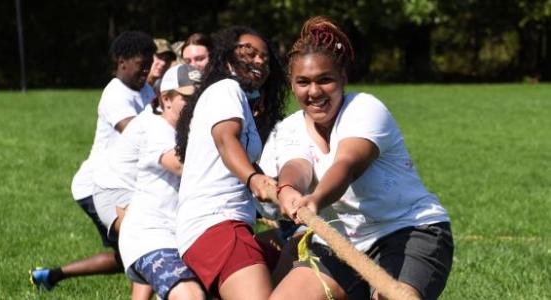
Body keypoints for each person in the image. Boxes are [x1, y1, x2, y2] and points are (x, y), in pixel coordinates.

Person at [269, 16, 454, 300]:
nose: (314, 91)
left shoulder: (365, 109)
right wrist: (289, 189)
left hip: (407, 230)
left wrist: (316, 199)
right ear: (292, 85)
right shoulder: (290, 127)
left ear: (343, 77)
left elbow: (347, 165)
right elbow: (297, 165)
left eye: (325, 80)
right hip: (338, 241)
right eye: (303, 82)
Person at [29, 31, 156, 291]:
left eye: (149, 65)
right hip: (98, 187)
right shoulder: (115, 94)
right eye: (142, 65)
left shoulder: (145, 90)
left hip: (122, 184)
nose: (147, 70)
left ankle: (49, 276)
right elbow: (136, 133)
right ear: (122, 62)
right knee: (146, 244)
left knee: (128, 257)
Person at [174, 26, 287, 300]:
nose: (259, 60)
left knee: (295, 256)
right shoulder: (225, 89)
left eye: (265, 58)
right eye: (250, 53)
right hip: (219, 225)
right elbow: (226, 141)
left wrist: (284, 196)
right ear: (227, 59)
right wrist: (254, 179)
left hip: (223, 228)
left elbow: (242, 159)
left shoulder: (239, 102)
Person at [119, 64, 204, 300]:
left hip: (184, 237)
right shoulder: (154, 128)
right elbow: (180, 165)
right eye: (188, 98)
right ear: (166, 99)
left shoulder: (195, 134)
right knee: (190, 296)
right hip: (151, 236)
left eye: (200, 98)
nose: (196, 105)